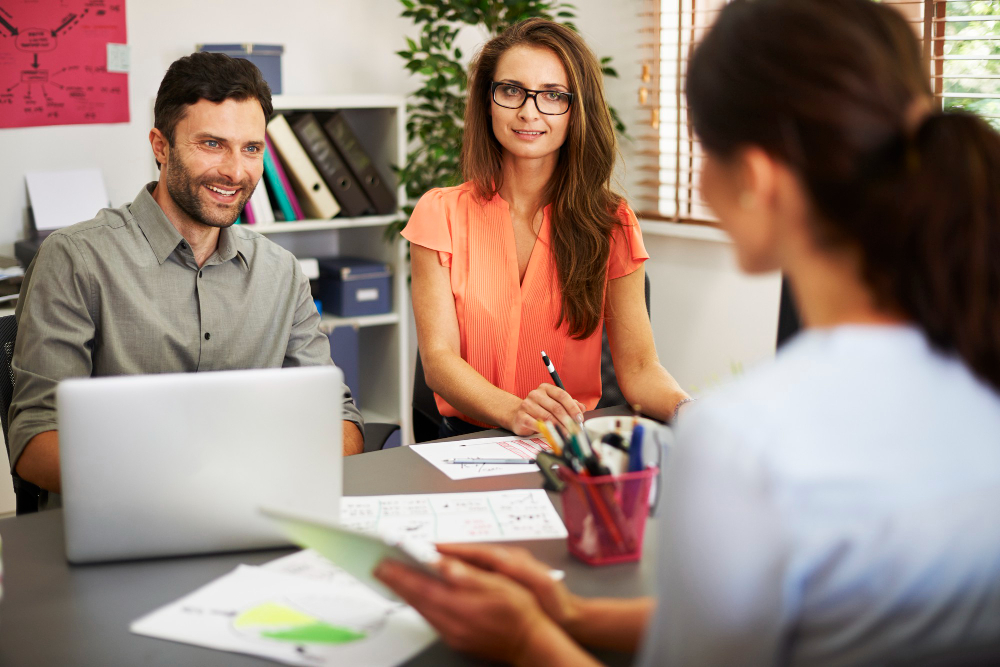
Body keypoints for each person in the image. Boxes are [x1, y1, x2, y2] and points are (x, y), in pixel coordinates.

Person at [375, 1, 1000, 664]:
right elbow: (802, 626)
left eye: (706, 148)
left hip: (571, 464)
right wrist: (568, 612)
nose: (531, 110)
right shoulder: (978, 388)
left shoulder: (742, 442)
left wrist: (529, 639)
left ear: (753, 180)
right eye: (512, 91)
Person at [9, 52, 365, 510]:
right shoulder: (76, 260)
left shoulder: (280, 273)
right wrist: (184, 486)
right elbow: (36, 440)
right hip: (124, 521)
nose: (236, 172)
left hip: (257, 515)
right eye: (212, 144)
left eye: (251, 148)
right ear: (161, 146)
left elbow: (338, 419)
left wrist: (263, 478)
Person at [402, 18, 689, 439]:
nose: (528, 111)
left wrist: (693, 414)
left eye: (553, 95)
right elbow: (440, 361)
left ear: (577, 109)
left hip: (567, 443)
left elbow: (641, 369)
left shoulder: (611, 223)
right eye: (511, 90)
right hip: (466, 441)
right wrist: (515, 411)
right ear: (488, 100)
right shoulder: (438, 214)